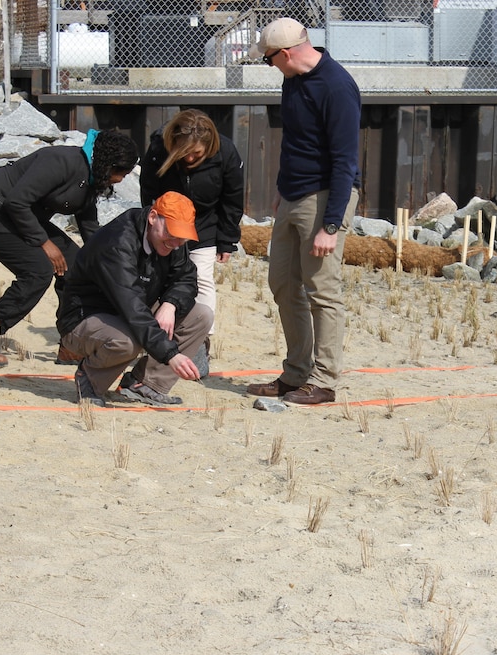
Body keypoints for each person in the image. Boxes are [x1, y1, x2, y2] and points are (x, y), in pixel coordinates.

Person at [246, 17, 361, 406]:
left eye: (268, 60)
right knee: (282, 282)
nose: (269, 66)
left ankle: (324, 381)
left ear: (287, 52)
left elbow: (345, 161)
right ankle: (295, 373)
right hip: (293, 194)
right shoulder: (292, 79)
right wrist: (282, 187)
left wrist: (331, 224)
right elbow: (295, 140)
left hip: (325, 196)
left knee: (322, 290)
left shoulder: (337, 87)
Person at [0, 129, 139, 368]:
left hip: (20, 215)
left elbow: (88, 223)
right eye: (120, 172)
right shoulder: (61, 162)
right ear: (106, 163)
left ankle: (71, 344)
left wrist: (105, 258)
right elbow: (17, 202)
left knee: (76, 268)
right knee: (38, 271)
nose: (121, 178)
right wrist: (45, 243)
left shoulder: (93, 175)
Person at [56, 192, 213, 407]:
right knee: (129, 340)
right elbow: (133, 308)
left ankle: (146, 385)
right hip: (83, 318)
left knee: (201, 316)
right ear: (152, 218)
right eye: (172, 233)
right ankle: (89, 382)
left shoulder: (173, 241)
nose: (177, 243)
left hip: (130, 311)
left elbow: (186, 278)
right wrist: (171, 355)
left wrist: (170, 304)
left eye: (182, 236)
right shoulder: (117, 243)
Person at [139, 108, 245, 378]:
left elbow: (232, 199)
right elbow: (148, 190)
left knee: (202, 281)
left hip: (204, 226)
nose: (189, 158)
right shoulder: (157, 148)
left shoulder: (226, 153)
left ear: (208, 146)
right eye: (183, 153)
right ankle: (155, 336)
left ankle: (200, 342)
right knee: (160, 279)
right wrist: (152, 228)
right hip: (166, 227)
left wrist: (227, 240)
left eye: (196, 154)